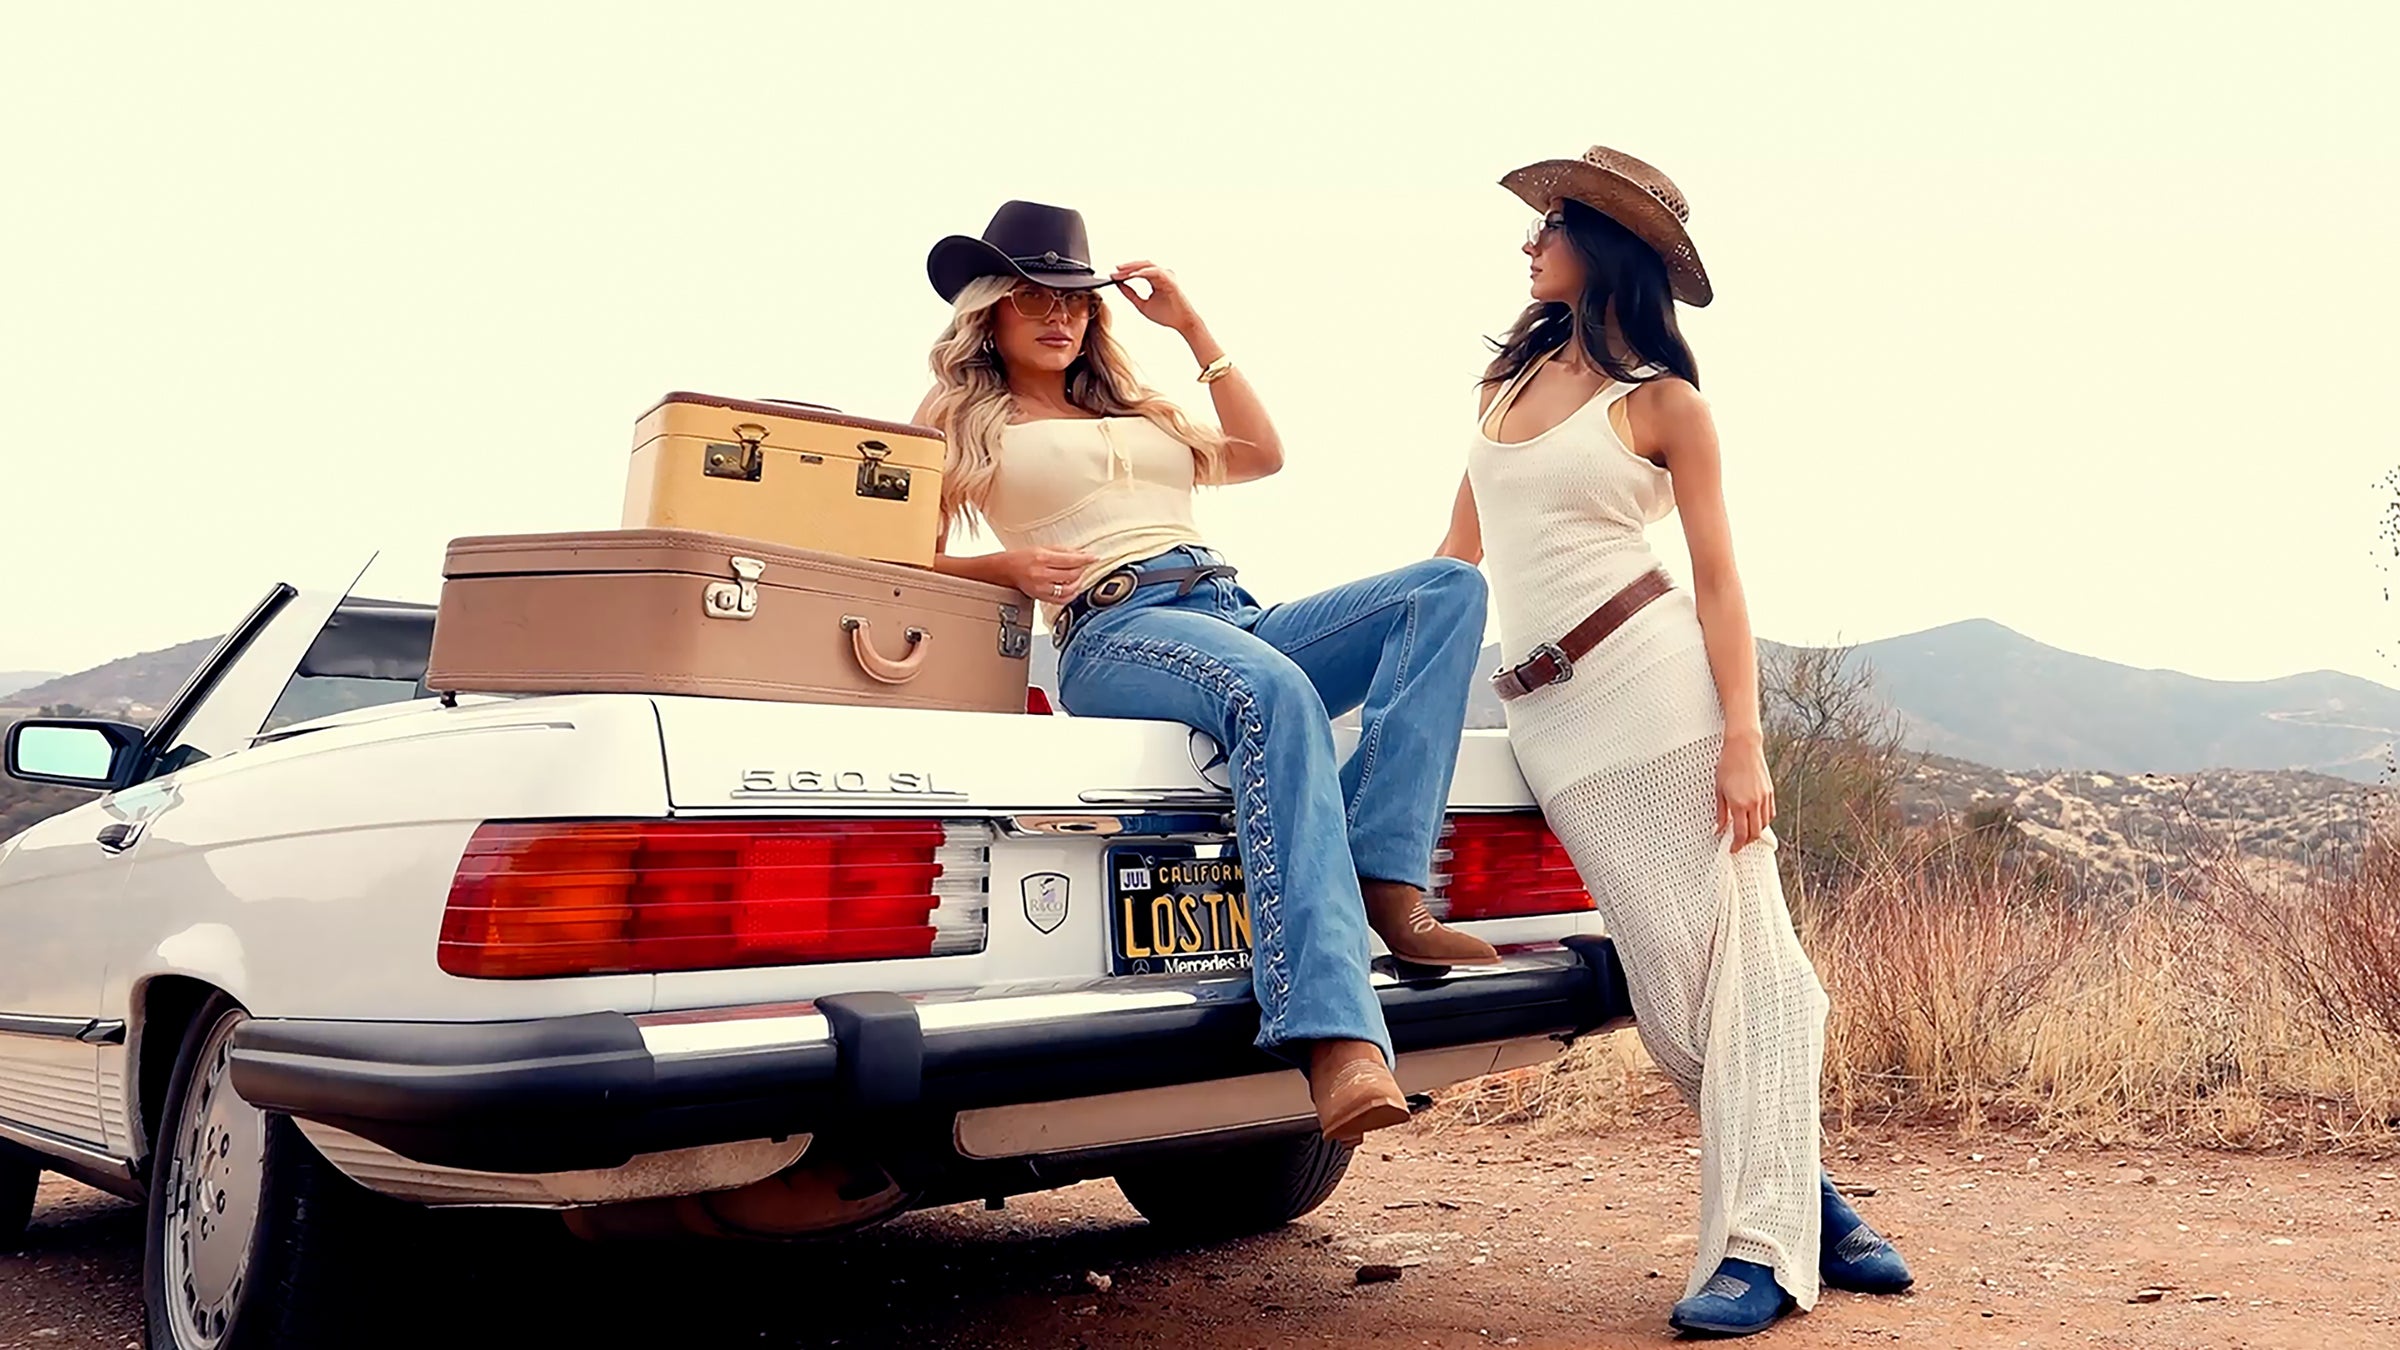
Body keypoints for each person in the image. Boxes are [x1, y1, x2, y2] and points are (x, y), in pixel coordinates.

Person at [1435, 148, 1914, 1336]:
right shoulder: (1501, 386)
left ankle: (1760, 1252)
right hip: (1547, 718)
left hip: (1660, 693)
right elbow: (1453, 564)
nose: (1528, 242)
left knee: (1747, 966)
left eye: (1550, 224)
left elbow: (1720, 585)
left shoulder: (1663, 403)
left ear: (1605, 247)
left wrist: (1744, 740)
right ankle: (1812, 1199)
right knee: (1669, 993)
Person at [915, 201, 1497, 1142]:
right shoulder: (957, 420)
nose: (1060, 316)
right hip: (1116, 629)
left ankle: (1382, 872)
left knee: (1445, 589)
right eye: (1032, 298)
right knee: (1273, 691)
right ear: (989, 311)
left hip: (1231, 609)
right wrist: (1004, 567)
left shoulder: (1135, 409)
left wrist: (1191, 326)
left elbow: (1263, 454)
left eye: (1076, 300)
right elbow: (897, 548)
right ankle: (1336, 1036)